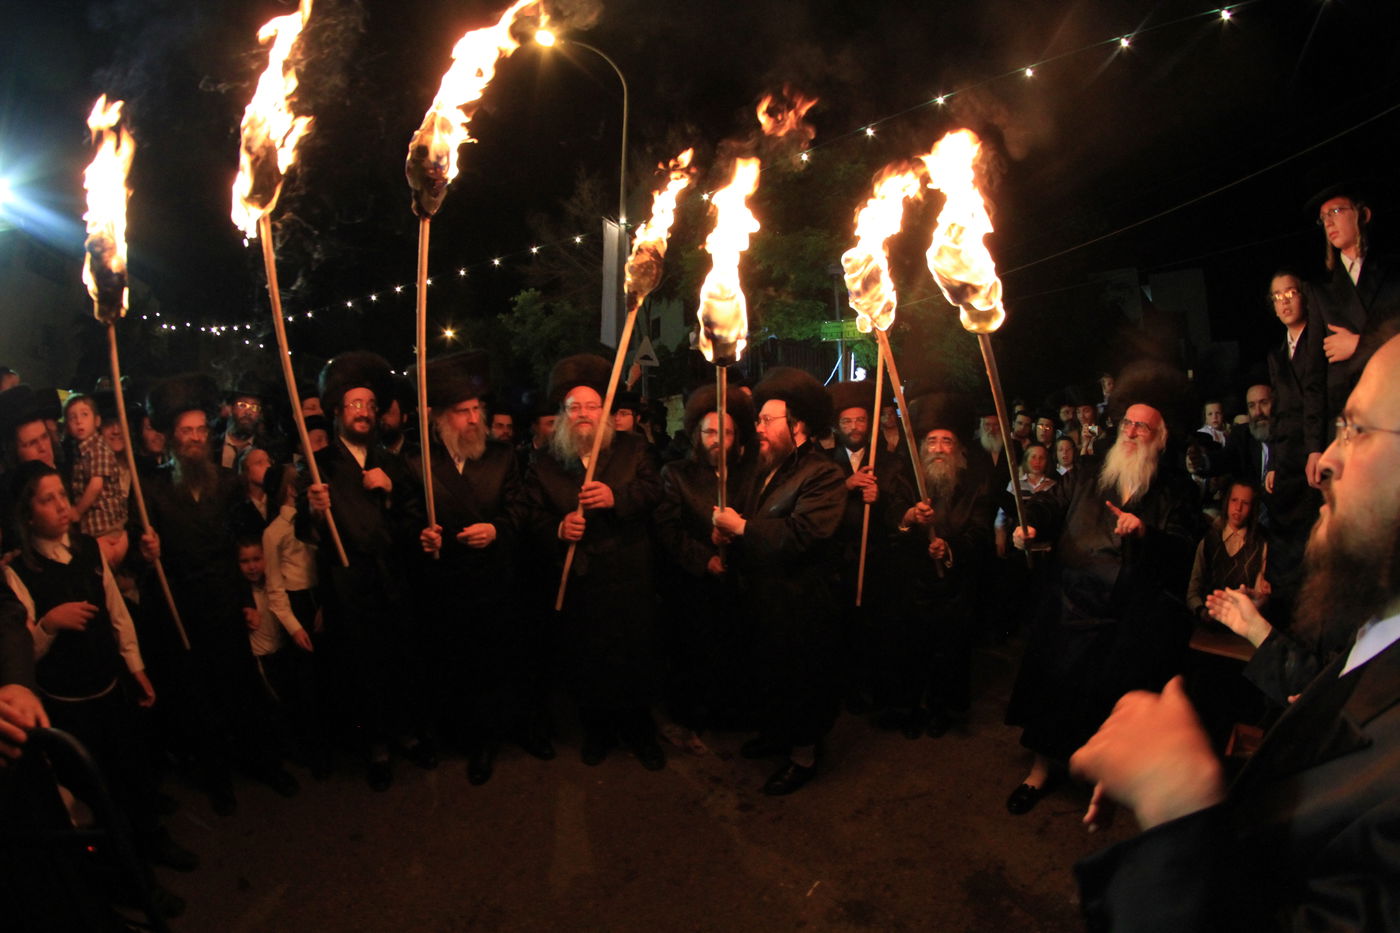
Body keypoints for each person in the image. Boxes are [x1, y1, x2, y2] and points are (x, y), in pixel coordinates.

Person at [1071, 331, 1400, 931]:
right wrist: (1260, 637)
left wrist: (1180, 810)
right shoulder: (1380, 621)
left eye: (1356, 428)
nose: (1324, 459)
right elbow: (1336, 701)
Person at [1005, 360, 1197, 815]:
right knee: (1053, 696)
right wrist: (1029, 526)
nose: (1131, 433)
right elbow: (1047, 504)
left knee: (1110, 707)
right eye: (1128, 423)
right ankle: (1039, 773)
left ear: (1161, 436)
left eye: (1143, 428)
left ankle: (1106, 784)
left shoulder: (1175, 490)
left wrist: (1146, 533)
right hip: (1070, 606)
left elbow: (1185, 548)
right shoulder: (1089, 471)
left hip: (1129, 620)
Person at [145, 373, 299, 812]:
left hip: (226, 604)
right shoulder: (152, 490)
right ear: (173, 438)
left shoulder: (229, 483)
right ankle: (217, 780)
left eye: (199, 430)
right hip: (182, 611)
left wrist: (248, 600)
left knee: (243, 692)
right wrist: (147, 549)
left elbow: (245, 544)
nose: (194, 438)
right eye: (185, 432)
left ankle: (265, 763)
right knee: (200, 702)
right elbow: (144, 558)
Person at [522, 354, 665, 771]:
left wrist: (616, 499)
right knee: (590, 663)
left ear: (604, 411)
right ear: (564, 414)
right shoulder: (546, 461)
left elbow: (654, 491)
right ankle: (598, 733)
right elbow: (530, 514)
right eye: (574, 407)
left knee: (635, 659)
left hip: (629, 574)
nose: (584, 414)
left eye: (591, 405)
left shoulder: (633, 447)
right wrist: (558, 529)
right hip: (581, 580)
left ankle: (641, 734)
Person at [414, 351, 548, 786]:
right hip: (443, 585)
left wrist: (494, 529)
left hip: (492, 582)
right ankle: (456, 735)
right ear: (439, 418)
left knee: (493, 667)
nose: (473, 419)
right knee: (453, 666)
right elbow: (405, 517)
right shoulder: (418, 461)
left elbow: (520, 511)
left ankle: (487, 742)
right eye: (462, 412)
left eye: (477, 410)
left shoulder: (501, 455)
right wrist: (421, 536)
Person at [304, 351, 435, 791]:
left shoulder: (394, 463)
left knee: (402, 660)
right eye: (354, 405)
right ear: (338, 412)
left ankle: (407, 733)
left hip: (394, 582)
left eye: (369, 405)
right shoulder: (320, 467)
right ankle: (376, 746)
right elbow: (308, 536)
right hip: (348, 587)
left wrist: (392, 492)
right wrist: (316, 513)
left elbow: (415, 520)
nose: (363, 413)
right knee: (364, 670)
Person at [713, 367, 845, 795]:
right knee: (769, 674)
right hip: (764, 598)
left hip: (799, 603)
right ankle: (776, 734)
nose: (759, 428)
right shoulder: (765, 467)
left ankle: (803, 755)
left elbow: (804, 534)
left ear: (799, 425)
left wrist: (743, 530)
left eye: (768, 420)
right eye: (759, 420)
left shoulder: (822, 474)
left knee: (799, 680)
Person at [881, 393, 995, 738]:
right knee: (910, 649)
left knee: (948, 653)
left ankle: (941, 709)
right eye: (932, 441)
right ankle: (910, 707)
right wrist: (909, 517)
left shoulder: (976, 483)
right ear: (922, 447)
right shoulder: (905, 479)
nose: (939, 448)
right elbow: (889, 522)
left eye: (947, 441)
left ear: (958, 448)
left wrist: (950, 547)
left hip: (954, 588)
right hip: (912, 584)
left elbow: (979, 528)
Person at [654, 384, 755, 737]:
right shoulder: (676, 474)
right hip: (694, 586)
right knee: (696, 653)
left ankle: (734, 711)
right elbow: (668, 530)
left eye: (725, 432)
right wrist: (704, 554)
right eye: (710, 431)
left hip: (740, 581)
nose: (718, 439)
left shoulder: (751, 474)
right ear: (697, 435)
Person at [1306, 183, 1400, 436]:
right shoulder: (1320, 289)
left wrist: (1360, 345)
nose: (1328, 222)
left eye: (1335, 212)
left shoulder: (1393, 273)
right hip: (1347, 417)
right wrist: (1314, 448)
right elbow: (1314, 377)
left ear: (1363, 214)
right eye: (1323, 217)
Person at [62, 393, 129, 571]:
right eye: (72, 417)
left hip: (104, 525)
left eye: (84, 415)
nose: (78, 421)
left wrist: (77, 511)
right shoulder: (79, 451)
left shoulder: (98, 448)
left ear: (97, 421)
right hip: (94, 526)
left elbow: (96, 485)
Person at [1185, 481, 1268, 622]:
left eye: (1245, 503)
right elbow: (1193, 590)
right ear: (1227, 502)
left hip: (1243, 623)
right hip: (1210, 623)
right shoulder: (1209, 541)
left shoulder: (1259, 545)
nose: (1238, 508)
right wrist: (1202, 611)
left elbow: (1259, 593)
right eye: (1234, 500)